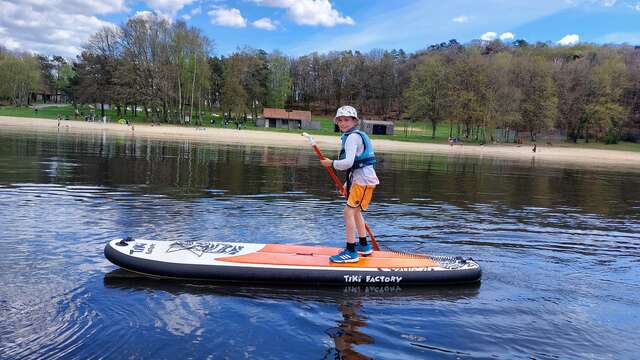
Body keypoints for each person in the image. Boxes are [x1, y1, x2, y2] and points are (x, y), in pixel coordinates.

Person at [320, 106, 379, 263]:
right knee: (356, 212)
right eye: (340, 120)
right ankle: (364, 246)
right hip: (360, 180)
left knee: (348, 212)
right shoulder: (353, 136)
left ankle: (351, 251)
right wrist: (348, 183)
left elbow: (348, 163)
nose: (343, 123)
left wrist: (331, 163)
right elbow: (356, 165)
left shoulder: (352, 137)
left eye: (347, 120)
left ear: (354, 121)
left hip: (364, 182)